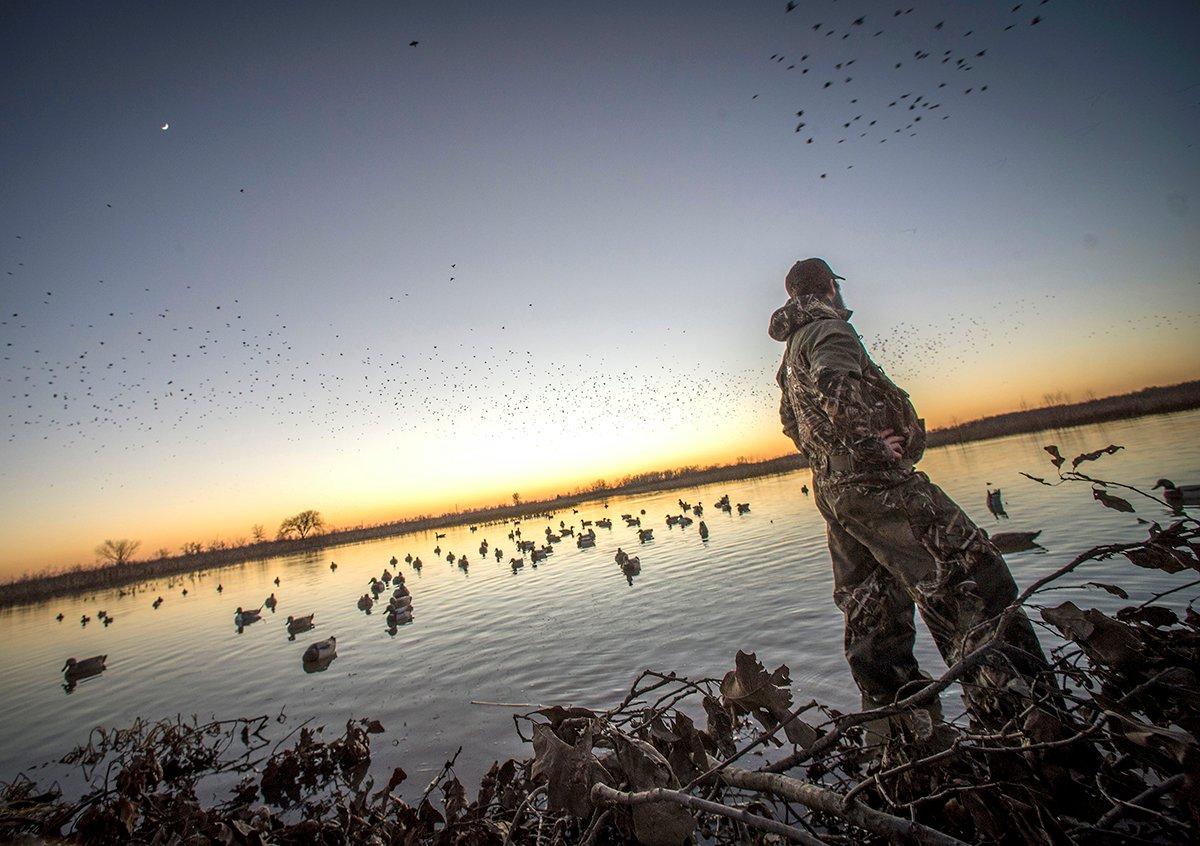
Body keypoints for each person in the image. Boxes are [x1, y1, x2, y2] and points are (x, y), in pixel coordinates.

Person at [771, 258, 1050, 728]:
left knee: (871, 607)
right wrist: (869, 445)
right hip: (878, 487)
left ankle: (900, 737)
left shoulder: (791, 350)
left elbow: (790, 422)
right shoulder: (828, 331)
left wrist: (831, 458)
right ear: (830, 289)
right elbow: (835, 383)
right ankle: (1028, 726)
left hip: (837, 491)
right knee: (969, 577)